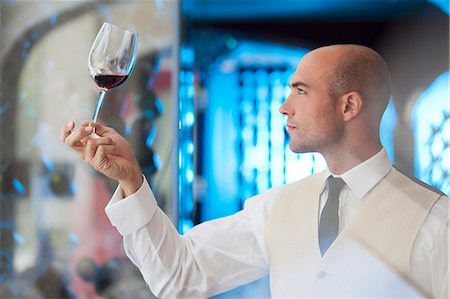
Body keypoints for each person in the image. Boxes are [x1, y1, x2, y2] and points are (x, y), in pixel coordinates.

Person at [61, 44, 448, 298]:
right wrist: (130, 178)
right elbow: (179, 276)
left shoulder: (436, 222)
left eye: (300, 91)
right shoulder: (278, 207)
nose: (284, 107)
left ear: (349, 106)